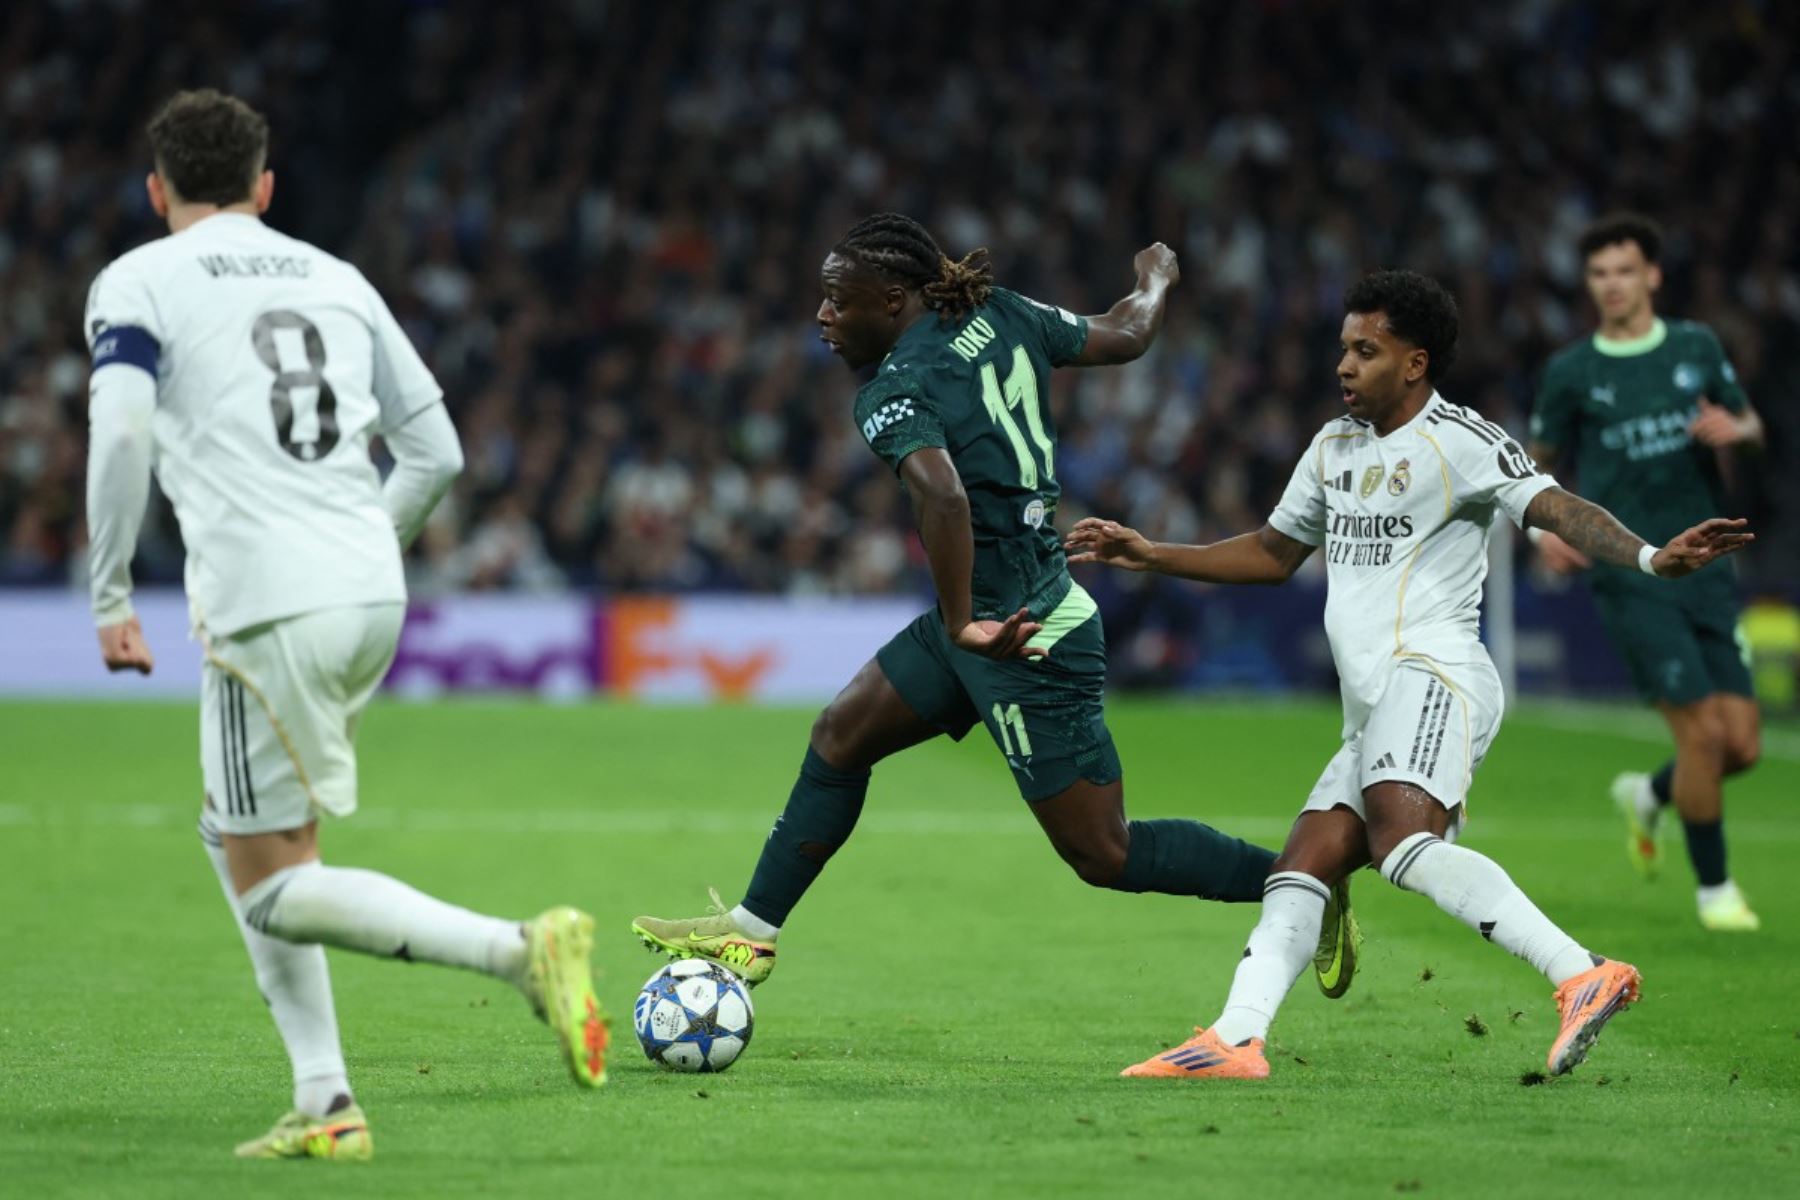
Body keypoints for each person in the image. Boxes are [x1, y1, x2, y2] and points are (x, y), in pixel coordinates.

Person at [633, 213, 1359, 1001]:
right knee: (840, 736)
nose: (823, 315)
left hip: (1023, 634)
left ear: (893, 298)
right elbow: (1126, 332)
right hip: (988, 615)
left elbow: (943, 494)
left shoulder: (893, 390)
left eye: (839, 299)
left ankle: (1306, 887)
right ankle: (753, 929)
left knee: (1103, 854)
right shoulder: (1001, 310)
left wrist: (958, 622)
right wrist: (1155, 279)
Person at [83, 90, 607, 1161]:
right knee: (245, 837)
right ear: (265, 185)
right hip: (371, 590)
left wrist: (109, 592)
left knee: (273, 886)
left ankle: (520, 950)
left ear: (157, 190)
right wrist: (364, 544)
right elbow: (438, 453)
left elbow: (122, 428)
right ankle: (327, 1103)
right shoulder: (338, 277)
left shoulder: (138, 279)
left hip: (267, 601)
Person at [1066, 270, 1750, 1080]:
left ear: (1415, 362)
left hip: (1436, 673)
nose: (1344, 365)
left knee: (1400, 842)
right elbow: (1273, 553)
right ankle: (1236, 1039)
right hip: (1374, 702)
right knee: (1300, 866)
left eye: (1366, 350)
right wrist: (1153, 553)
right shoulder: (1333, 446)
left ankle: (1581, 972)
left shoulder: (1462, 441)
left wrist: (1649, 556)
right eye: (1343, 348)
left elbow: (1556, 506)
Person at [1529, 213, 1766, 931]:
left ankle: (1650, 795)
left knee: (1742, 747)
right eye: (1599, 273)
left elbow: (1752, 426)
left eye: (1625, 270)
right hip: (1634, 573)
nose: (1612, 285)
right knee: (1701, 736)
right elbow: (1533, 467)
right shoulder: (1572, 372)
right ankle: (1716, 892)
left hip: (1711, 566)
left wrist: (1736, 430)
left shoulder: (1695, 347)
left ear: (1653, 276)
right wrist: (1539, 530)